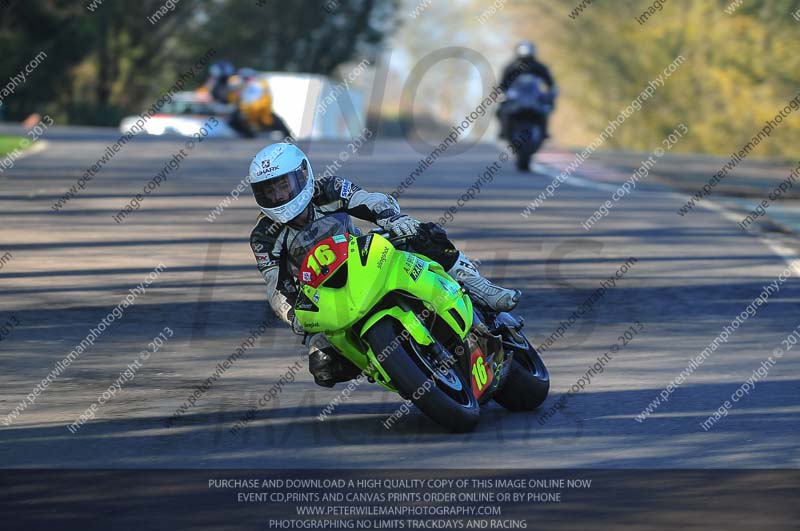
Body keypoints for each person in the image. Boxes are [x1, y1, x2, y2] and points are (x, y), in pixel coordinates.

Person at [248, 143, 521, 387]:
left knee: (425, 235)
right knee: (325, 367)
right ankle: (393, 367)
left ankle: (482, 289)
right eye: (268, 190)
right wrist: (295, 316)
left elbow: (368, 200)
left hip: (364, 260)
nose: (278, 195)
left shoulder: (328, 188)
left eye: (283, 184)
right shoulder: (263, 235)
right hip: (324, 295)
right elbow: (276, 285)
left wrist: (392, 218)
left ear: (303, 175)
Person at [499, 41, 557, 139]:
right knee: (501, 110)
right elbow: (503, 84)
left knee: (546, 109)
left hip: (534, 97)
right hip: (516, 97)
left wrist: (550, 93)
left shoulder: (539, 67)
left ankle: (544, 131)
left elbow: (549, 82)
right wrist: (502, 94)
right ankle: (504, 131)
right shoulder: (511, 67)